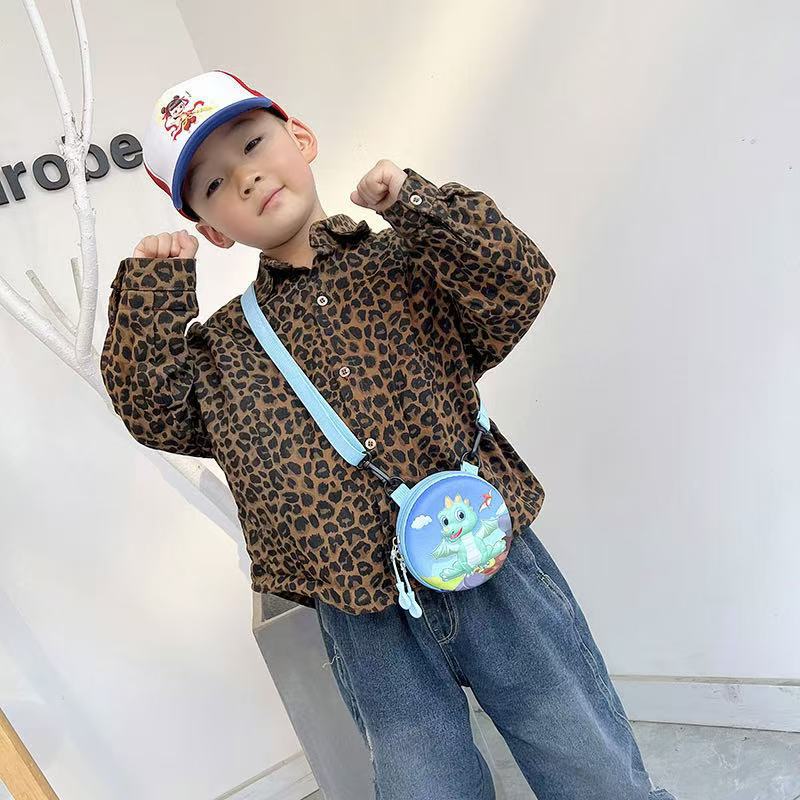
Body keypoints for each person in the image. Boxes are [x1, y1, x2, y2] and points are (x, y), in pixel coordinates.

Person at [101, 68, 677, 800]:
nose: (245, 177)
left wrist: (415, 203)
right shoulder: (224, 350)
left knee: (583, 752)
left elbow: (517, 281)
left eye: (252, 144)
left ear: (300, 137)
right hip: (363, 610)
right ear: (212, 230)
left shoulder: (406, 261)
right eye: (213, 184)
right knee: (423, 784)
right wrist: (152, 293)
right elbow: (154, 412)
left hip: (488, 557)